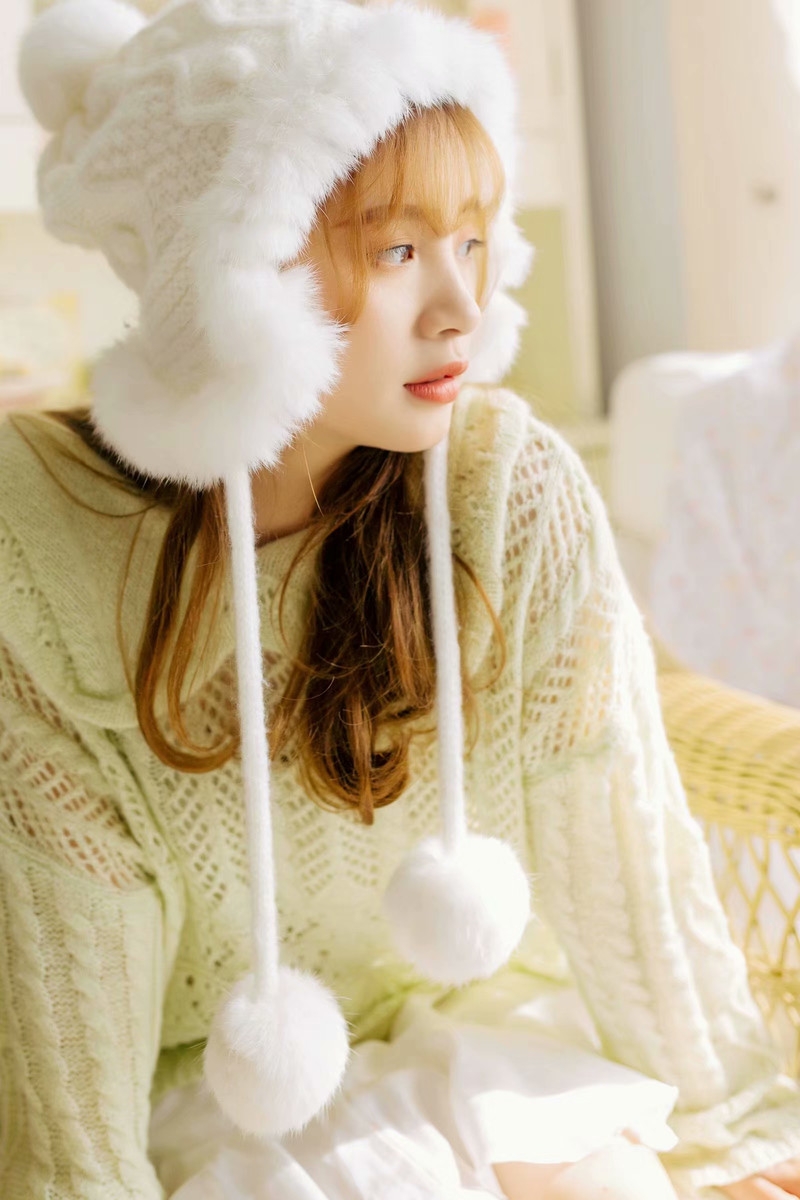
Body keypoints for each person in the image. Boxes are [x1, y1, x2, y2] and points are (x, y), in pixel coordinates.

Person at [3, 0, 800, 1197]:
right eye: (395, 253)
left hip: (477, 1030)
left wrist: (737, 1131)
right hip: (203, 1092)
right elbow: (68, 991)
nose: (459, 307)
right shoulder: (46, 559)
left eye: (471, 242)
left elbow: (617, 852)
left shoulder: (503, 492)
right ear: (231, 272)